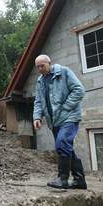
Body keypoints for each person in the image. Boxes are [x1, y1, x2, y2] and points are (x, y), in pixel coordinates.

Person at [33, 55, 87, 189]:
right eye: (37, 67)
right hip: (54, 121)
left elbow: (79, 90)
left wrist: (66, 107)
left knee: (62, 143)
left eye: (42, 65)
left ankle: (62, 179)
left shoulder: (64, 72)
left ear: (49, 63)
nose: (40, 69)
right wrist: (37, 117)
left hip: (69, 117)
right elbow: (39, 101)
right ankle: (79, 180)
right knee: (66, 147)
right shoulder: (40, 81)